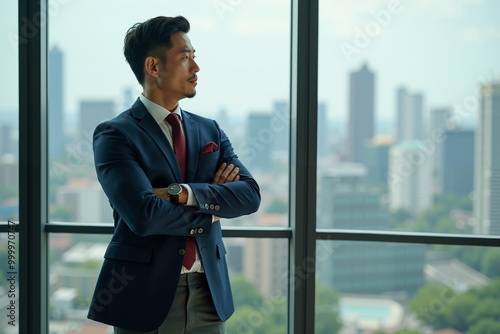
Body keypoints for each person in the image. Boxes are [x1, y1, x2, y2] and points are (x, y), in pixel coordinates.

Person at [87, 15, 261, 334]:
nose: (195, 68)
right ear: (154, 67)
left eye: (194, 57)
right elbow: (144, 216)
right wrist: (211, 211)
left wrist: (179, 193)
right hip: (143, 295)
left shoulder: (210, 129)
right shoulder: (115, 135)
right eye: (184, 58)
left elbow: (249, 195)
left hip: (209, 294)